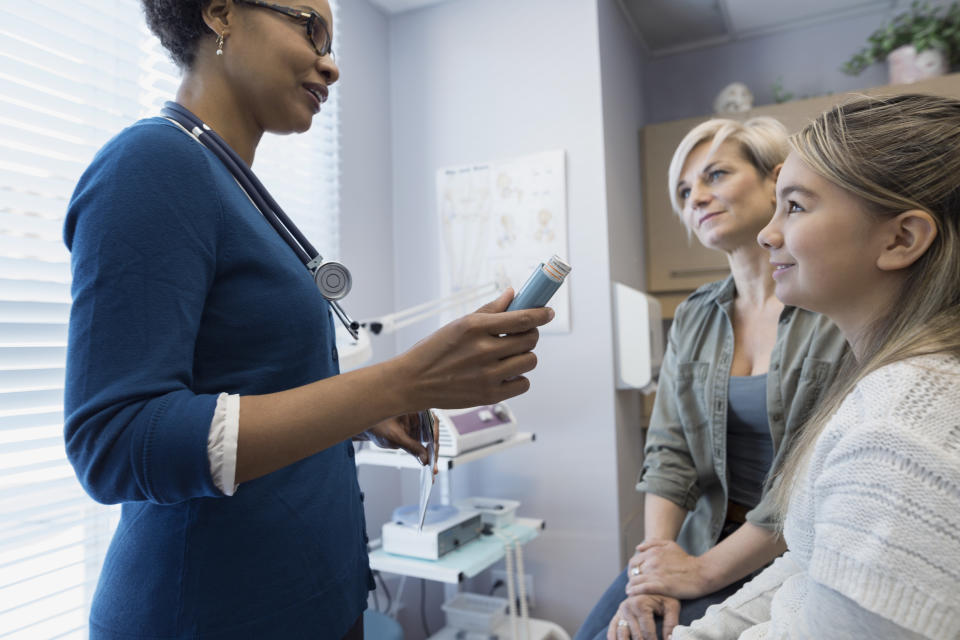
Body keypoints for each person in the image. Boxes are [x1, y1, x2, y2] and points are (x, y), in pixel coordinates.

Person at [62, 1, 554, 638]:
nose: (331, 63)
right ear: (220, 13)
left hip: (316, 601)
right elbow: (116, 439)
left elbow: (249, 385)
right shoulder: (150, 165)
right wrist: (402, 382)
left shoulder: (234, 186)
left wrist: (362, 414)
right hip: (211, 616)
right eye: (309, 27)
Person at [673, 93, 960, 639]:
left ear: (901, 238)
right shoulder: (878, 387)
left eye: (796, 206)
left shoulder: (896, 436)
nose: (767, 234)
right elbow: (808, 560)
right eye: (685, 190)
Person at [575, 117, 848, 640]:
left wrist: (703, 572)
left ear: (777, 179)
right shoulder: (695, 315)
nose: (695, 197)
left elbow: (813, 478)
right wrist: (656, 566)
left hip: (787, 553)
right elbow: (670, 447)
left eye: (715, 175)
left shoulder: (833, 307)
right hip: (698, 538)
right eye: (683, 190)